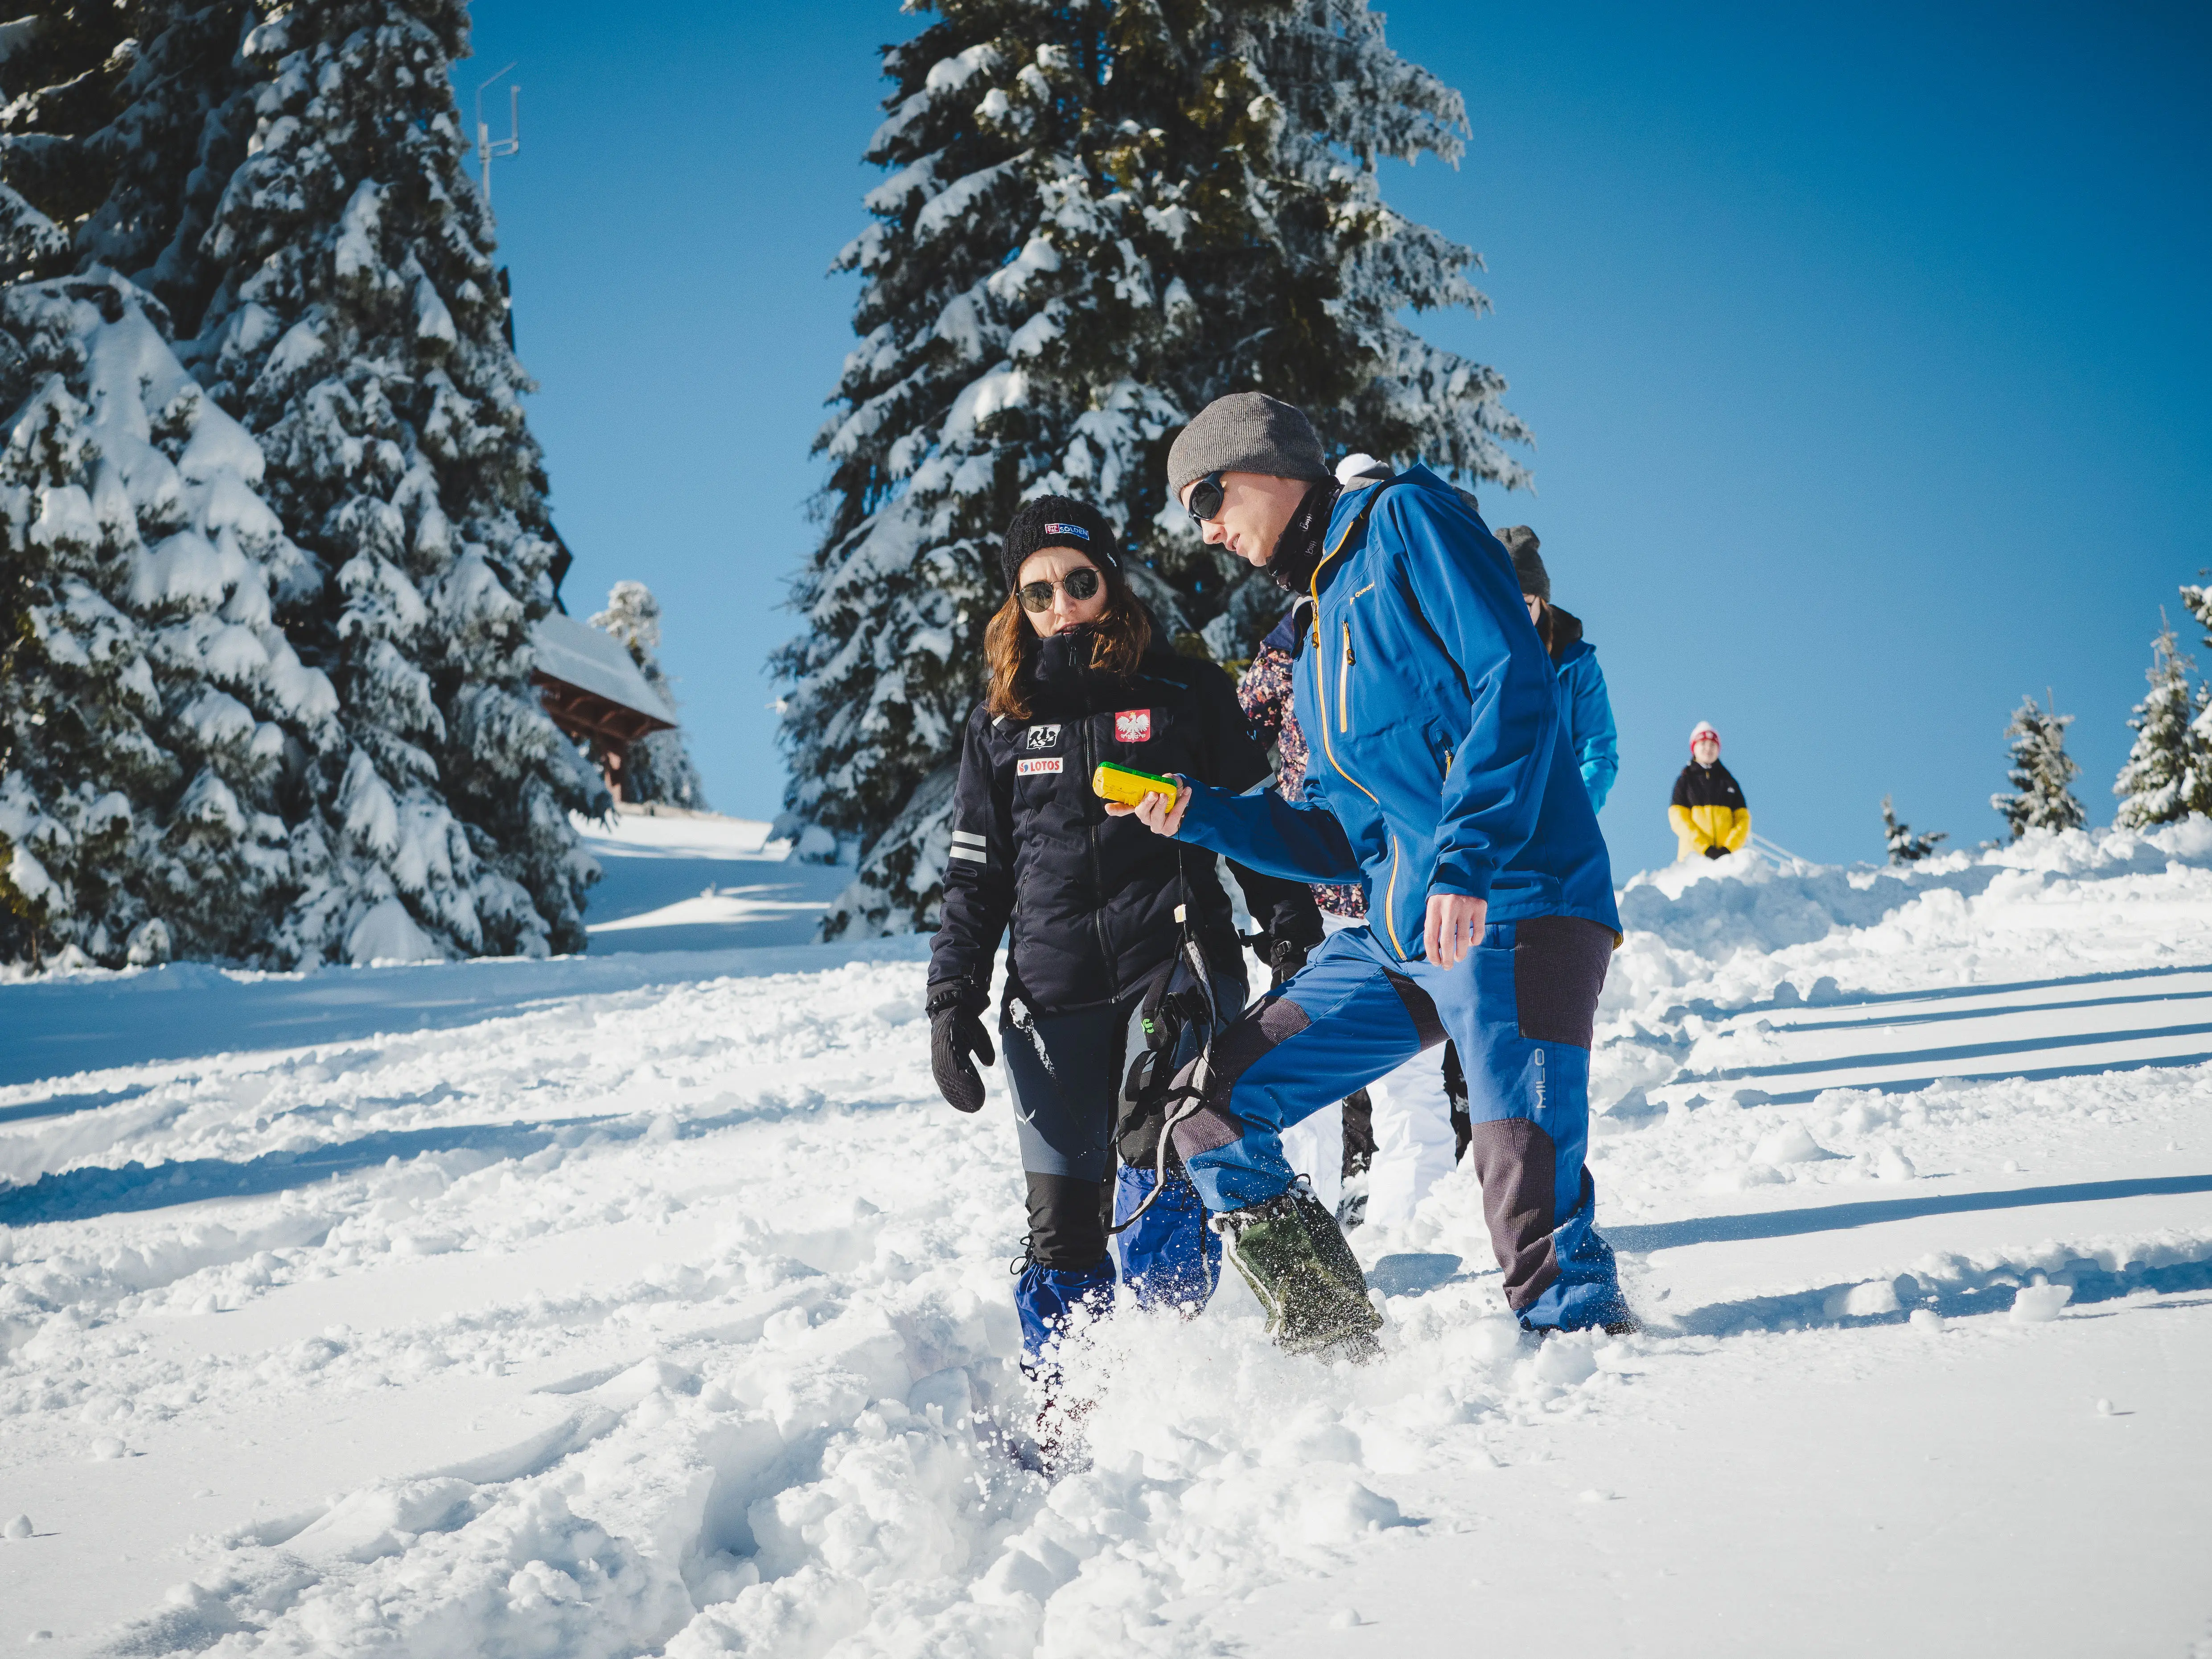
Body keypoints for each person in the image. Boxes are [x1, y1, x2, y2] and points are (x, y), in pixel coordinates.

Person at [1113, 392, 1634, 1354]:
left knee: (1524, 1191)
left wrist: (1466, 858)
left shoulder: (1405, 521)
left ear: (1266, 464)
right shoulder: (1315, 632)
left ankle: (1592, 1374)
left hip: (1512, 900)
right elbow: (1334, 833)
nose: (1209, 530)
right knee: (1208, 1105)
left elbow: (1513, 682)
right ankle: (1333, 1342)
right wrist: (1202, 812)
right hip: (1402, 931)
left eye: (1208, 499)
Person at [924, 495, 1309, 1404]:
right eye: (1037, 592)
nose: (1061, 605)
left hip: (1167, 970)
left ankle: (1170, 1400)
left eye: (1079, 581)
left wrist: (1291, 932)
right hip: (1047, 998)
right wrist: (951, 998)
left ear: (1112, 581)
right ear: (1017, 606)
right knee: (1061, 1230)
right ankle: (1070, 1421)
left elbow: (1257, 828)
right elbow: (975, 878)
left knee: (1158, 1175)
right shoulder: (999, 722)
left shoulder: (1183, 693)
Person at [1497, 526, 1619, 814]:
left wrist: (1573, 812)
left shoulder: (1577, 664)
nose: (1518, 614)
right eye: (1507, 603)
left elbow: (1597, 751)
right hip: (1491, 814)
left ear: (1542, 601)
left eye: (1526, 603)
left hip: (1555, 813)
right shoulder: (1470, 654)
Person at [1670, 721, 1749, 860]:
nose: (1708, 748)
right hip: (1693, 860)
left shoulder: (1729, 782)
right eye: (1703, 743)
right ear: (1694, 748)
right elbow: (1679, 820)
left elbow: (1743, 821)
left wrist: (1728, 849)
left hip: (1727, 861)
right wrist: (1705, 848)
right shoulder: (1685, 781)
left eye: (1713, 745)